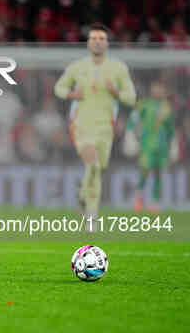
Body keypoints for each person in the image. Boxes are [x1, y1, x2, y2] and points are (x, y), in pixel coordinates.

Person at [54, 23, 136, 227]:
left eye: (101, 38)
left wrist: (115, 92)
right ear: (88, 43)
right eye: (93, 38)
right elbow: (59, 88)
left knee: (96, 170)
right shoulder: (77, 67)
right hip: (81, 124)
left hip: (105, 127)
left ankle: (86, 204)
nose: (97, 42)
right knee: (92, 163)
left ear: (107, 43)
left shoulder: (118, 68)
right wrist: (72, 94)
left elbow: (131, 98)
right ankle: (89, 211)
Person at [127, 80, 174, 213]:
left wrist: (171, 146)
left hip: (162, 146)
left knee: (158, 173)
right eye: (155, 88)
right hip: (147, 144)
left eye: (160, 89)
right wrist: (133, 133)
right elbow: (133, 119)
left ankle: (155, 202)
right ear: (152, 90)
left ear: (164, 91)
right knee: (145, 171)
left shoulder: (167, 107)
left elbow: (170, 129)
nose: (158, 91)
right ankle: (139, 197)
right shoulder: (144, 104)